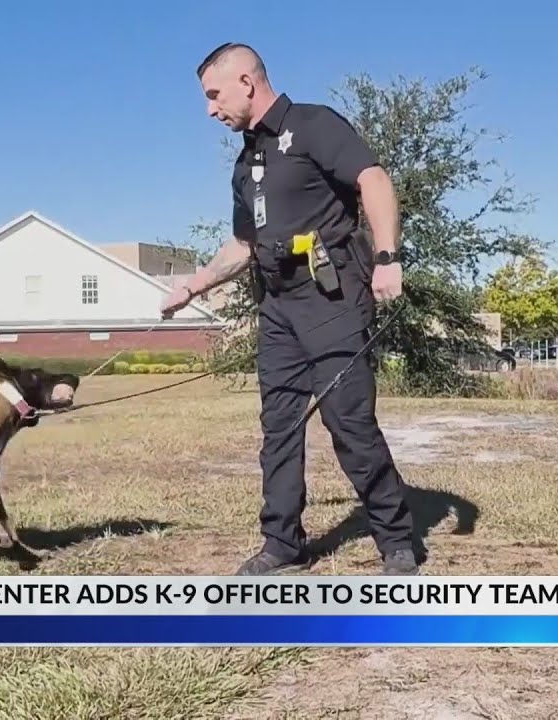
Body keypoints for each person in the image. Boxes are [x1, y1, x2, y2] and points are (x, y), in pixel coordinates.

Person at [159, 42, 419, 576]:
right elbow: (243, 245)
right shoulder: (245, 164)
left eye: (214, 95)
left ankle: (396, 540)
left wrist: (388, 256)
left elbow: (373, 180)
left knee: (348, 421)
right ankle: (283, 543)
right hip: (277, 307)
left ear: (247, 83)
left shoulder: (314, 125)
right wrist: (195, 285)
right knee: (278, 427)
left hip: (332, 297)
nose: (210, 109)